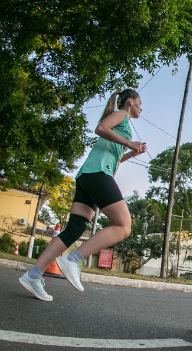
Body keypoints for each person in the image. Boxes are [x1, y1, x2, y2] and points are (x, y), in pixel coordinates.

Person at [19, 88, 147, 301]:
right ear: (131, 102)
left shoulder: (124, 129)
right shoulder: (122, 116)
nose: (141, 109)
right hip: (97, 174)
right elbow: (101, 128)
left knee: (75, 228)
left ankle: (33, 276)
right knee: (124, 227)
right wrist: (127, 143)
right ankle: (74, 260)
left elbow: (112, 159)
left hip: (89, 175)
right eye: (140, 104)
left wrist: (130, 153)